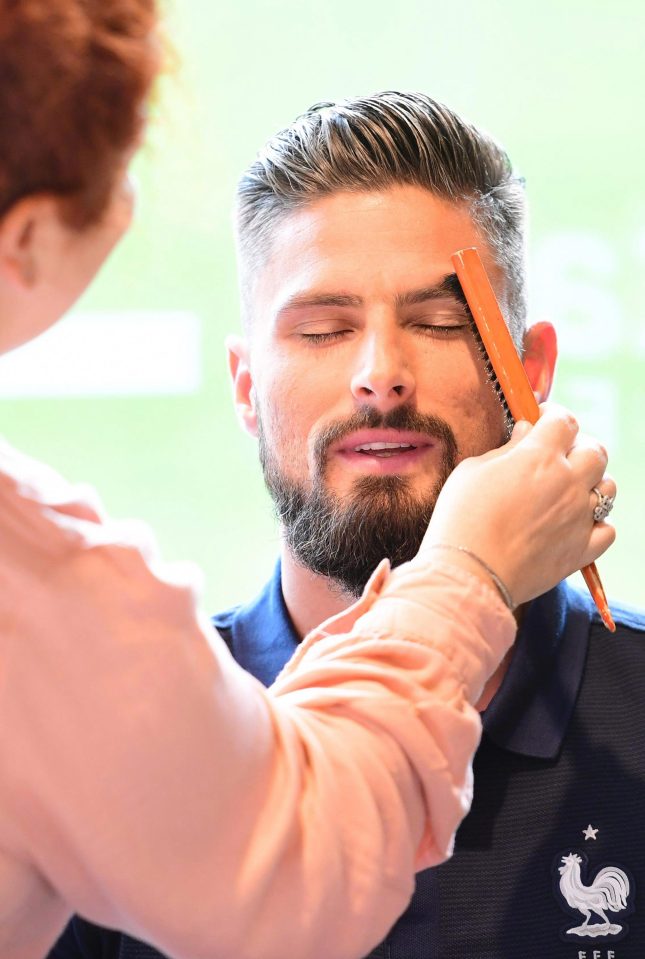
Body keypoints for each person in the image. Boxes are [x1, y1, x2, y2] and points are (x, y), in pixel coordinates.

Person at [0, 6, 614, 954]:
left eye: (443, 323)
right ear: (246, 386)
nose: (379, 372)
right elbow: (305, 855)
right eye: (323, 329)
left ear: (530, 372)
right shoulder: (131, 718)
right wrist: (467, 579)